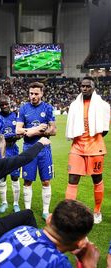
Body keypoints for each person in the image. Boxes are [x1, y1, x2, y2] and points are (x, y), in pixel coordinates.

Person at [0, 199, 100, 268]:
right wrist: (89, 265)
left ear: (49, 219)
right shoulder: (56, 262)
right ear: (80, 242)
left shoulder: (21, 230)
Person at [65, 77, 110, 224]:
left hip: (95, 148)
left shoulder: (102, 105)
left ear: (93, 87)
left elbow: (104, 130)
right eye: (82, 86)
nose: (84, 89)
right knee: (72, 180)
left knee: (97, 179)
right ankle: (68, 213)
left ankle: (97, 211)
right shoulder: (74, 105)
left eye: (87, 86)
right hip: (77, 147)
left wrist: (92, 139)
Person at [16, 82, 56, 220]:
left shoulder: (48, 108)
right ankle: (27, 211)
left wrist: (40, 131)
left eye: (36, 94)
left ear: (41, 94)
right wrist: (33, 131)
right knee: (27, 181)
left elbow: (54, 130)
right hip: (29, 149)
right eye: (31, 93)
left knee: (46, 181)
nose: (33, 96)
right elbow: (18, 130)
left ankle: (45, 211)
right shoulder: (23, 108)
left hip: (44, 149)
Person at [0, 95, 22, 214]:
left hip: (13, 150)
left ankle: (16, 204)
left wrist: (17, 135)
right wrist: (11, 136)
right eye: (2, 105)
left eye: (6, 104)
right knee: (2, 178)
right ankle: (4, 203)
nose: (4, 106)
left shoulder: (16, 115)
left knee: (15, 177)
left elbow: (21, 132)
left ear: (10, 103)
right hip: (2, 150)